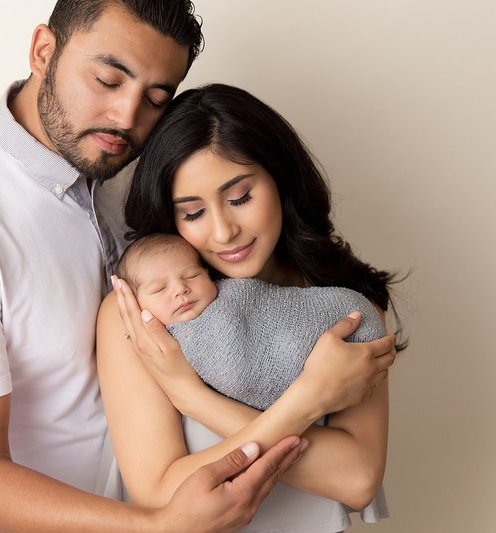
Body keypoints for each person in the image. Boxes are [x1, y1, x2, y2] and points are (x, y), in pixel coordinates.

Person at [0, 2, 323, 531]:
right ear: (44, 51)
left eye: (157, 98)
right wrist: (159, 526)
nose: (128, 119)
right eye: (108, 80)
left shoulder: (125, 175)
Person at [97, 83, 402, 532]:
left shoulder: (342, 305)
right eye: (193, 213)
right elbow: (161, 496)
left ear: (280, 179)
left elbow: (357, 478)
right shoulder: (147, 309)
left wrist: (192, 397)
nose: (223, 232)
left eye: (240, 198)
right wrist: (309, 398)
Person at [115, 233, 385, 411]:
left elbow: (359, 479)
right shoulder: (141, 343)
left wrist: (188, 395)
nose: (180, 290)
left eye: (192, 276)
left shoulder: (234, 295)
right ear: (133, 304)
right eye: (160, 289)